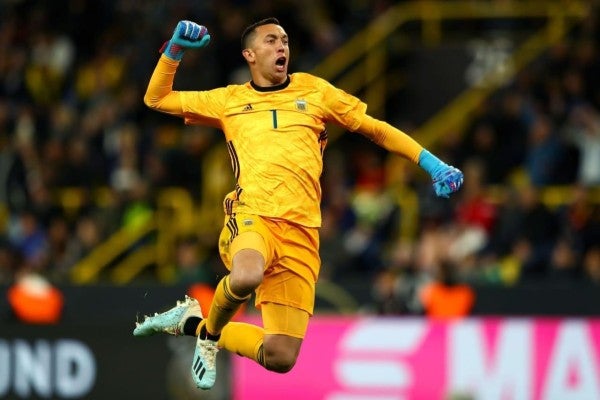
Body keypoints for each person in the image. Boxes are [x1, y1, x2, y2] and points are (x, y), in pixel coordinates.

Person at [133, 18, 463, 390]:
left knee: (280, 356)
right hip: (253, 214)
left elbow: (374, 128)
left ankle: (194, 323)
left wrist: (430, 162)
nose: (282, 47)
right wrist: (174, 51)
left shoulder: (316, 91)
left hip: (302, 233)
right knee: (245, 276)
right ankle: (209, 338)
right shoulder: (229, 100)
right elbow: (156, 98)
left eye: (285, 41)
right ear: (250, 54)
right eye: (272, 41)